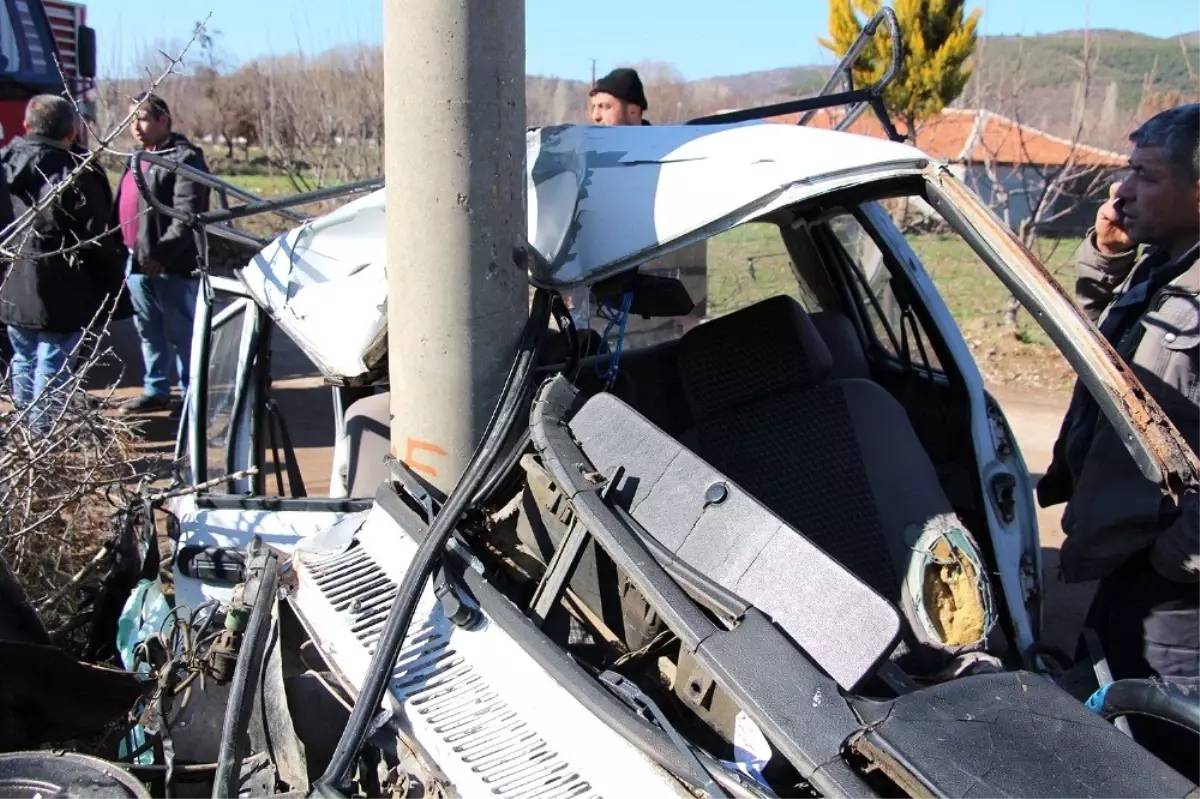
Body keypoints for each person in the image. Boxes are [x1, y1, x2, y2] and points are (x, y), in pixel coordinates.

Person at [1038, 103, 1200, 778]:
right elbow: (1107, 355)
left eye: (1147, 176)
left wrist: (1176, 556)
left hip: (1171, 585)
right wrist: (1106, 258)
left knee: (1170, 745)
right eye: (1126, 172)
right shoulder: (1165, 262)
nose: (1122, 191)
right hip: (1126, 556)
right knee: (1111, 713)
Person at [0, 94, 122, 432]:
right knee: (53, 362)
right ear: (71, 132)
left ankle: (27, 432)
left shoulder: (4, 165)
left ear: (25, 127)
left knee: (23, 357)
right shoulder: (75, 173)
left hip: (12, 283)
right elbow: (96, 236)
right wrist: (113, 287)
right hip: (63, 286)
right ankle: (42, 436)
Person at [586, 67, 707, 345]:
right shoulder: (594, 161)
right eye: (593, 107)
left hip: (660, 311)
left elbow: (694, 238)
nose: (595, 116)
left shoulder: (667, 159)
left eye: (605, 106)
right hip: (602, 310)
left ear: (633, 111)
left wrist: (693, 309)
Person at [112, 92, 211, 416]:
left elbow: (188, 213)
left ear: (162, 121)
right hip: (136, 260)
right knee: (148, 330)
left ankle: (191, 395)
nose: (135, 127)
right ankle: (156, 390)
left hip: (171, 265)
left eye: (141, 118)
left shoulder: (184, 159)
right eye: (131, 120)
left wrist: (163, 254)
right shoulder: (138, 157)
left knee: (181, 333)